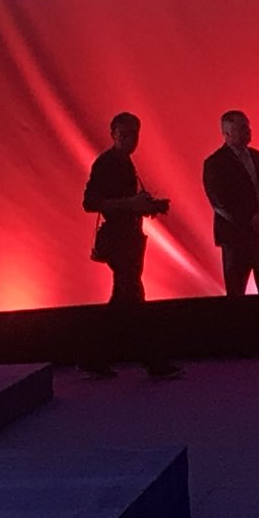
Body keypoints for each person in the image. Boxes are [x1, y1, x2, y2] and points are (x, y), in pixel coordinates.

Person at [79, 112, 183, 380]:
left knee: (121, 302)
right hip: (120, 242)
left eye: (134, 134)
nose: (130, 139)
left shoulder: (122, 162)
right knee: (134, 299)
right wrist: (133, 204)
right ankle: (153, 362)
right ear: (113, 134)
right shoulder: (107, 163)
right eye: (124, 134)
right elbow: (90, 202)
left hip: (128, 240)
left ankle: (93, 358)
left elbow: (112, 202)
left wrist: (149, 206)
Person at [201, 110, 259, 297]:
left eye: (247, 126)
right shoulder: (215, 163)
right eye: (243, 127)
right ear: (227, 133)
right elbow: (219, 201)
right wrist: (253, 221)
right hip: (236, 240)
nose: (248, 130)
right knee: (237, 295)